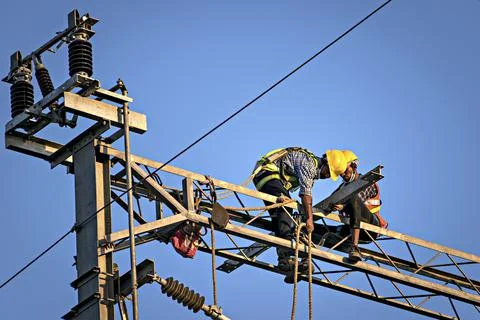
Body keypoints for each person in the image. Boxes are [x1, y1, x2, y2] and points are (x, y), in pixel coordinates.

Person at [252, 147, 349, 271]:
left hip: (266, 178)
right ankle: (287, 250)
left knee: (280, 220)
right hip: (268, 174)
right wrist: (309, 219)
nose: (327, 176)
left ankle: (284, 260)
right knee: (286, 208)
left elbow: (306, 199)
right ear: (325, 163)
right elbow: (306, 195)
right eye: (329, 172)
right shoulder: (309, 164)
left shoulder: (312, 171)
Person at [331, 150, 388, 263]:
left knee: (353, 198)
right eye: (340, 172)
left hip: (370, 226)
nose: (342, 174)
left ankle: (354, 248)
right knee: (316, 230)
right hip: (351, 228)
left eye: (345, 170)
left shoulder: (367, 182)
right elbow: (330, 201)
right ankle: (302, 260)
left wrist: (343, 207)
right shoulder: (342, 188)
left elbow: (356, 201)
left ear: (354, 166)